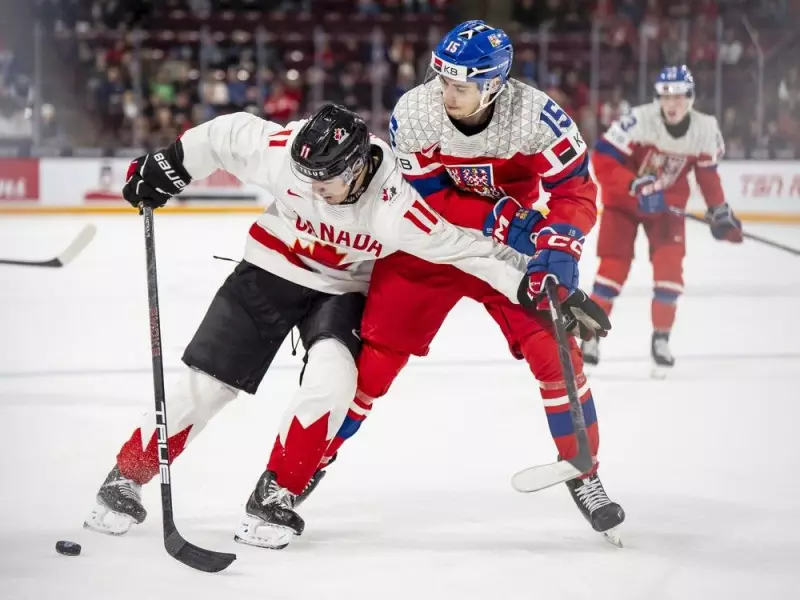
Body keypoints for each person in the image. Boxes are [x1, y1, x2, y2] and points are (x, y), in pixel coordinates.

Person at [84, 103, 541, 549]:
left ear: (359, 167)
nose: (316, 189)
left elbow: (467, 251)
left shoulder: (398, 202)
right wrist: (171, 164)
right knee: (207, 386)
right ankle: (126, 477)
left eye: (329, 181)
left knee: (334, 381)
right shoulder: (286, 153)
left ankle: (275, 493)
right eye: (310, 180)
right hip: (268, 269)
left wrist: (534, 285)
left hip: (341, 289)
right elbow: (225, 135)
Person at [309, 20, 625, 544]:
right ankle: (309, 462)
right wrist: (508, 218)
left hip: (503, 252)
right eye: (442, 80)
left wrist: (561, 246)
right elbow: (429, 196)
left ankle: (583, 470)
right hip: (429, 242)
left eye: (460, 86)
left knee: (558, 351)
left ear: (494, 84)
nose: (445, 93)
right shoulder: (415, 110)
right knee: (374, 363)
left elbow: (575, 188)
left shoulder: (538, 118)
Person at [583, 65, 743, 375]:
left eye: (680, 96)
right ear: (657, 98)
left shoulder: (705, 129)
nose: (672, 104)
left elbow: (707, 176)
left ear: (691, 98)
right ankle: (589, 336)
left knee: (670, 271)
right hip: (624, 203)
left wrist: (718, 208)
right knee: (611, 270)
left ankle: (661, 340)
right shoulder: (638, 121)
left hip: (666, 206)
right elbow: (601, 158)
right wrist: (632, 183)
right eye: (666, 96)